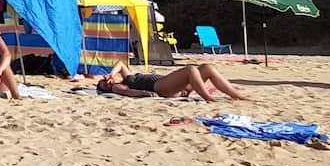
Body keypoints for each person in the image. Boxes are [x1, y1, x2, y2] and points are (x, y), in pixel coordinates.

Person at [95, 62, 246, 101]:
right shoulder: (118, 86)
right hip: (160, 86)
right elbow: (127, 92)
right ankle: (209, 99)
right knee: (190, 70)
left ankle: (237, 96)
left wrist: (110, 74)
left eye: (104, 81)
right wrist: (145, 93)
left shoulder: (127, 77)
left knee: (207, 68)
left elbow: (120, 64)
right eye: (104, 85)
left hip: (174, 86)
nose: (107, 82)